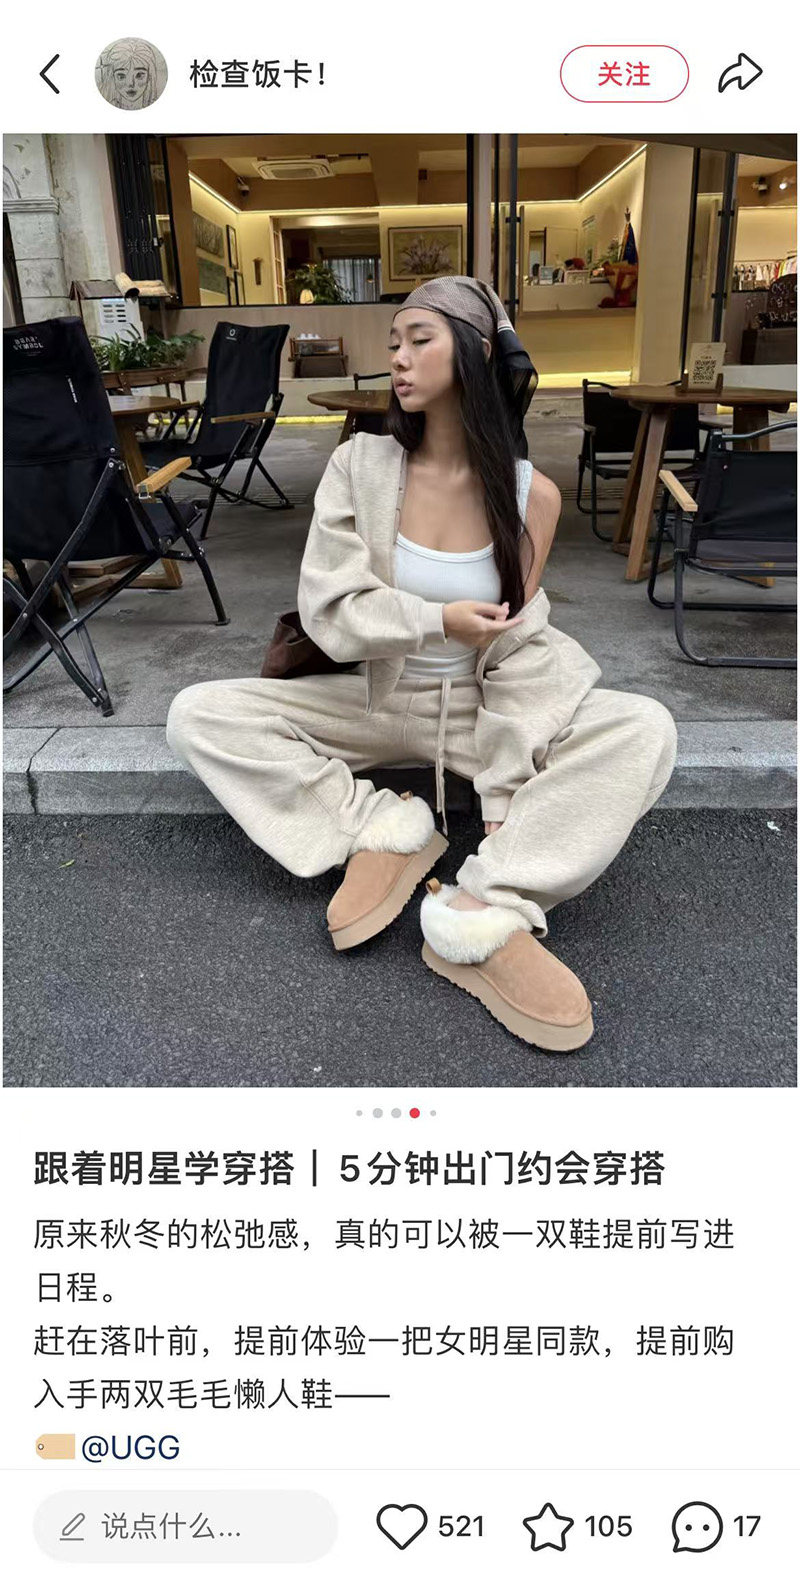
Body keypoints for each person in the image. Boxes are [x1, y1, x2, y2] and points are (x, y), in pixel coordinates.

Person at [166, 276, 677, 1052]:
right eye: (393, 344)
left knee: (643, 728)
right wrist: (434, 619)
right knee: (199, 714)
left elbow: (516, 649)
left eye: (418, 340)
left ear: (476, 352)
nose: (398, 358)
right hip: (371, 698)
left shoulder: (532, 496)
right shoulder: (359, 465)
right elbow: (329, 608)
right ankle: (383, 828)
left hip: (473, 710)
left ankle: (486, 903)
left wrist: (505, 779)